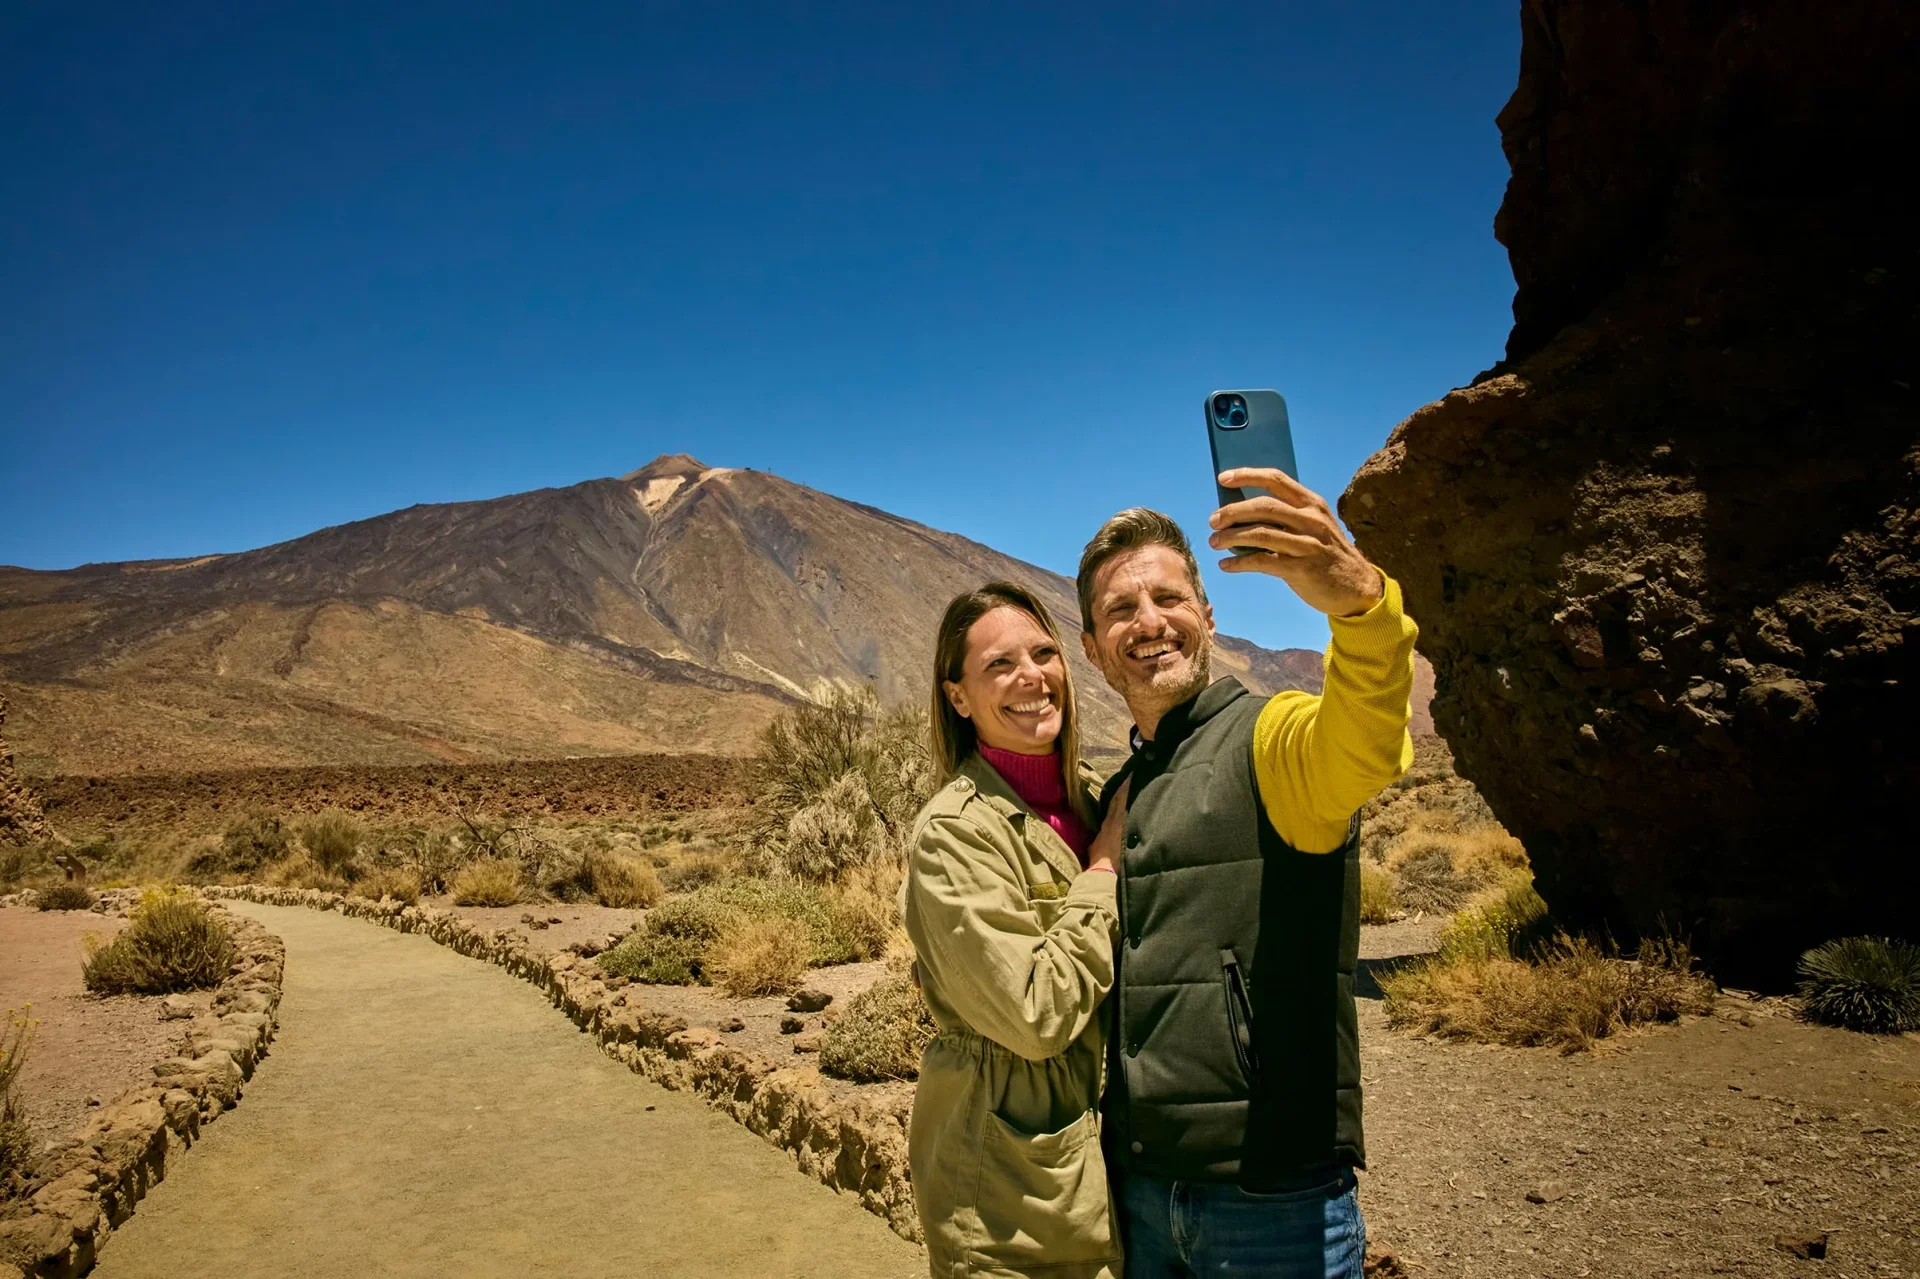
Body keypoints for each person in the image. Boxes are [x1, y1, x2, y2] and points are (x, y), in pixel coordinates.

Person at [1075, 468, 1418, 1278]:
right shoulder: (1121, 790)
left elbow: (1362, 742)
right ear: (1092, 648)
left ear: (1208, 613)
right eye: (1120, 609)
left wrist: (1362, 604)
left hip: (1273, 1207)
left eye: (1168, 599)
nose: (1148, 622)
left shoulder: (1274, 738)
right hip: (1140, 1191)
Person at [902, 581, 1134, 1279]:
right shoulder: (954, 834)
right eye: (999, 664)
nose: (1032, 676)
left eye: (1043, 652)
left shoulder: (1097, 799)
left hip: (1116, 1172)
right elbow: (1034, 1011)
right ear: (958, 696)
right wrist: (1102, 872)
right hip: (1010, 1197)